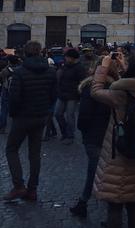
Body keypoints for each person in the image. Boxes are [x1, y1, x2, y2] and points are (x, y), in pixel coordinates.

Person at [91, 53, 135, 228]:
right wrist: (124, 66)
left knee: (115, 203)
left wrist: (103, 67)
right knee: (133, 201)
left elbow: (95, 91)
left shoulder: (120, 94)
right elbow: (132, 86)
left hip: (119, 151)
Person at [3, 41, 57, 201]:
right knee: (35, 154)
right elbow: (54, 94)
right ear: (40, 52)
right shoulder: (51, 72)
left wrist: (13, 114)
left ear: (24, 53)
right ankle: (32, 190)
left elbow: (14, 97)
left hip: (22, 116)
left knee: (11, 149)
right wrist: (45, 108)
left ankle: (18, 186)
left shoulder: (19, 72)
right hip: (41, 116)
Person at [69, 58, 114, 218]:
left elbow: (84, 115)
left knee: (94, 171)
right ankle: (110, 211)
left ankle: (85, 202)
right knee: (108, 172)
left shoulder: (91, 87)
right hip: (111, 135)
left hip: (94, 135)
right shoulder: (117, 86)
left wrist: (83, 130)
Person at [54, 48, 86, 145]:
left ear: (72, 58)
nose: (66, 58)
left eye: (67, 57)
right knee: (57, 113)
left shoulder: (79, 68)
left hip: (73, 95)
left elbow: (82, 82)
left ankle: (70, 135)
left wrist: (79, 93)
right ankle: (64, 132)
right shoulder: (64, 66)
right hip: (62, 93)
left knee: (70, 116)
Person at [0, 55, 21, 134]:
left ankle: (2, 127)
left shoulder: (6, 70)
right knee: (17, 109)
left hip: (6, 90)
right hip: (17, 91)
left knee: (4, 109)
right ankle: (16, 127)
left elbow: (1, 76)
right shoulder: (20, 69)